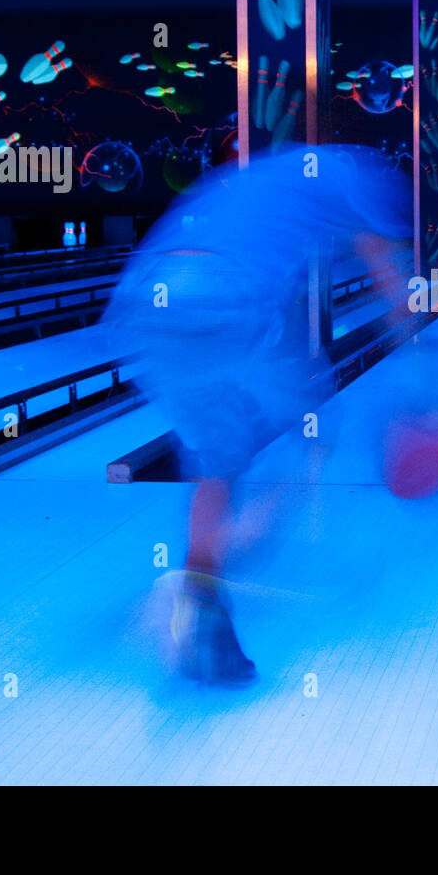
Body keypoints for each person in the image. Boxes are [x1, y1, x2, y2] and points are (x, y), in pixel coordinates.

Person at [103, 145, 412, 683]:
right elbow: (389, 275)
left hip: (144, 302)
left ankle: (201, 600)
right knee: (317, 426)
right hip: (230, 294)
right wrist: (422, 377)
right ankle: (252, 537)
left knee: (216, 463)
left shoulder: (247, 178)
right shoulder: (358, 178)